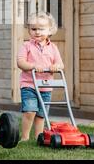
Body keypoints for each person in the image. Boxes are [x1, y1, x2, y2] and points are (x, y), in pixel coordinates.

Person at [17, 11, 64, 141]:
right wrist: (32, 66)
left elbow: (60, 64)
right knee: (29, 111)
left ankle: (39, 137)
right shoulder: (26, 46)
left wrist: (56, 67)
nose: (37, 32)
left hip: (46, 86)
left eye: (41, 29)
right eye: (34, 29)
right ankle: (25, 137)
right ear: (29, 30)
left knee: (41, 114)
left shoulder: (53, 47)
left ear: (50, 30)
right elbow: (20, 62)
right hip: (29, 85)